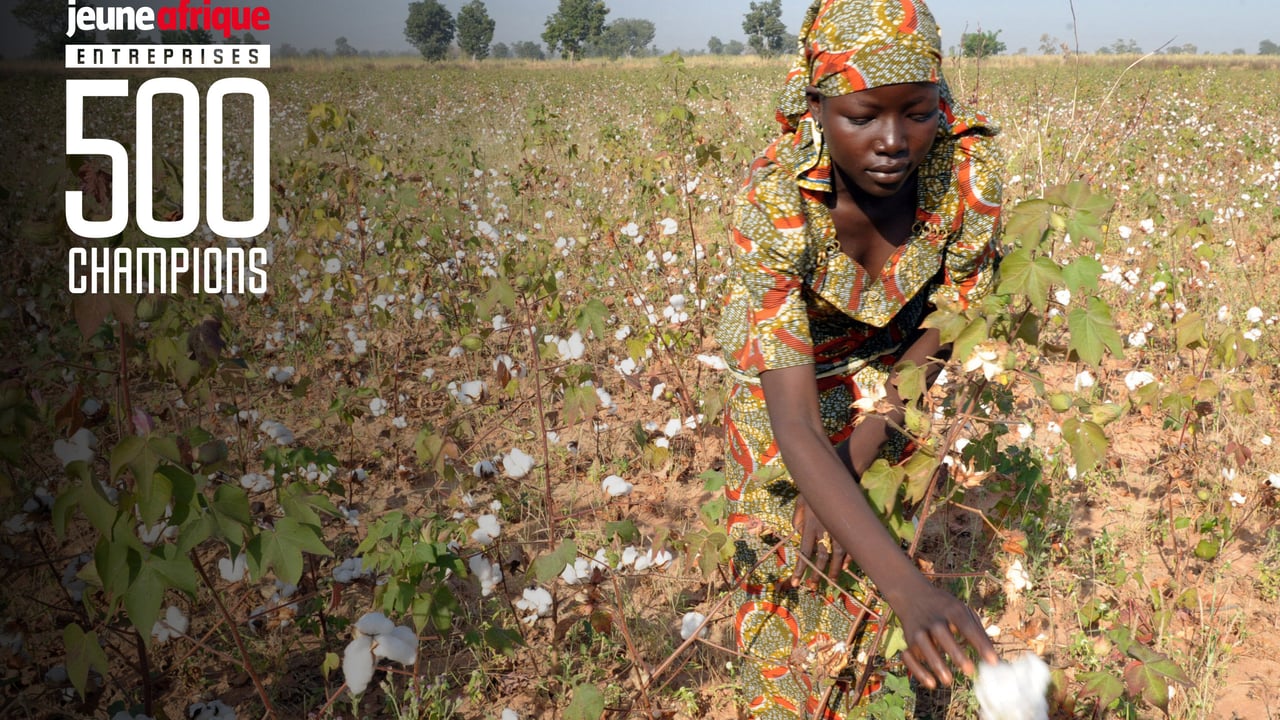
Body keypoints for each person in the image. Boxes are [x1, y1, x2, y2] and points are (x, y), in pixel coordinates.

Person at [716, 0, 1003, 716]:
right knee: (790, 560)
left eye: (917, 113)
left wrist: (871, 440)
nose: (893, 141)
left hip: (901, 366)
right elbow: (794, 424)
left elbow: (959, 314)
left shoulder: (965, 172)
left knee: (872, 573)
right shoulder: (775, 201)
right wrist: (910, 584)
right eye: (863, 116)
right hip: (790, 386)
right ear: (816, 107)